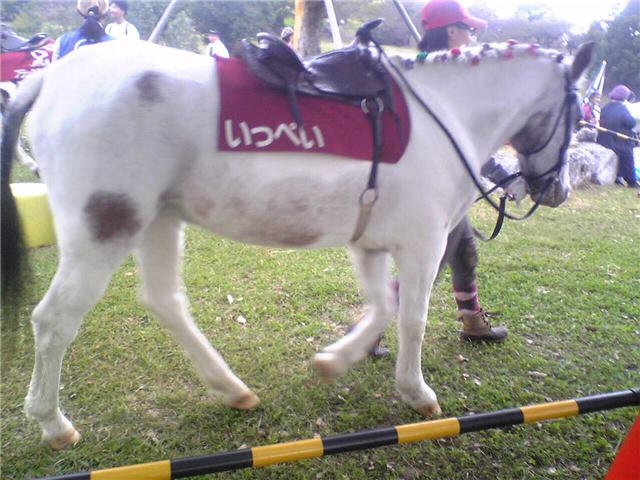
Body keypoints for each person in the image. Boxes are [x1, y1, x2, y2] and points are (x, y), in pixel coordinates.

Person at [359, 0, 523, 357]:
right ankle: (368, 328)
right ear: (451, 31)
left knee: (463, 249)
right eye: (469, 29)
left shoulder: (425, 70)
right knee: (433, 261)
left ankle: (471, 319)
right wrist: (502, 175)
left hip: (427, 185)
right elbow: (468, 144)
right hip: (424, 189)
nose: (472, 36)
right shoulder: (445, 79)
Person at [597, 85, 639, 189]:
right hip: (616, 141)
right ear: (624, 98)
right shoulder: (623, 109)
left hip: (603, 139)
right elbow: (631, 123)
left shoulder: (606, 107)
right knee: (628, 154)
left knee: (626, 146)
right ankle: (631, 181)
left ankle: (618, 177)